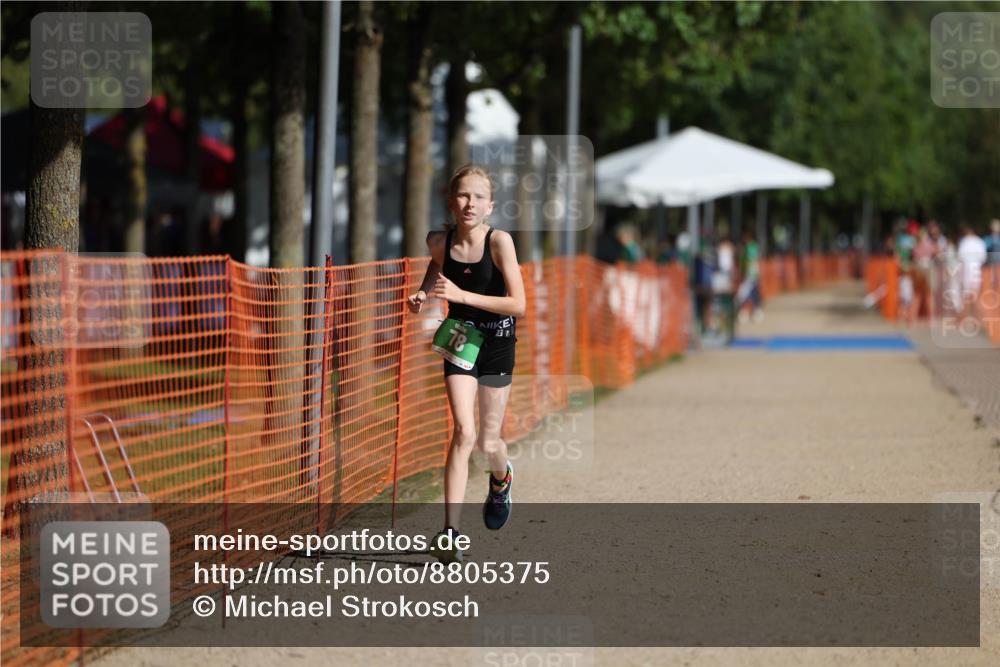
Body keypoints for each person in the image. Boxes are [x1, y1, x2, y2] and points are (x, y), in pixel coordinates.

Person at [406, 165, 526, 563]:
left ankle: (501, 476)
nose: (469, 203)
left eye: (478, 197)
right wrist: (424, 293)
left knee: (488, 441)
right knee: (463, 430)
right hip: (460, 333)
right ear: (451, 201)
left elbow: (518, 304)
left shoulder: (500, 242)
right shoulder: (438, 241)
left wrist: (461, 294)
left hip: (497, 338)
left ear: (490, 205)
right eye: (462, 195)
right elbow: (436, 267)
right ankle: (450, 532)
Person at [956, 223, 987, 324]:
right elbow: (983, 258)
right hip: (976, 269)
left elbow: (960, 256)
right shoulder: (980, 242)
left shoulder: (964, 242)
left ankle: (964, 318)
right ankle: (978, 318)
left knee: (967, 295)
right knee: (975, 294)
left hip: (966, 269)